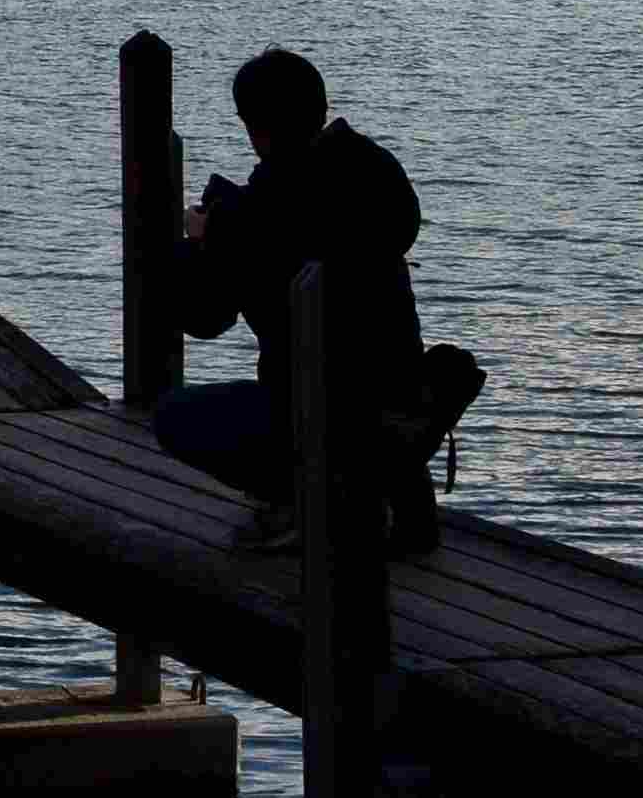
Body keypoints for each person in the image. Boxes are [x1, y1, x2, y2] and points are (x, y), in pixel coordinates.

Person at [146, 47, 483, 557]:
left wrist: (201, 239)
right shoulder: (372, 170)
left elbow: (205, 316)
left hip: (317, 413)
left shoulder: (262, 208)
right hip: (394, 396)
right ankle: (394, 501)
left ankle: (307, 504)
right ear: (321, 107)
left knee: (174, 416)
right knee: (373, 396)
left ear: (255, 124)